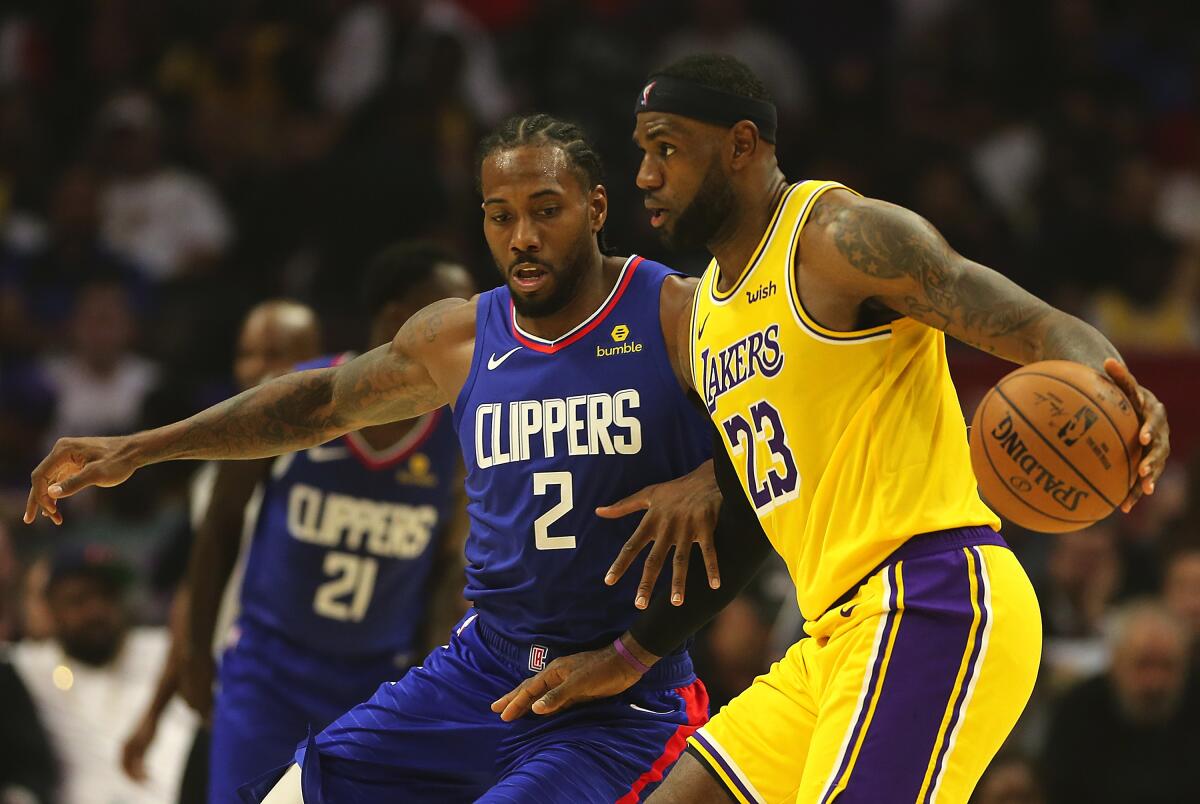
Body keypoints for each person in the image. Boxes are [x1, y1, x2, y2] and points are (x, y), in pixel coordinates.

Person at [25, 115, 769, 802]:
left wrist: (718, 473)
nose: (523, 237)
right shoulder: (460, 338)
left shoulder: (676, 313)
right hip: (484, 668)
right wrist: (142, 447)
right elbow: (316, 402)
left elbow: (789, 425)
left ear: (597, 208)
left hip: (619, 695)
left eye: (547, 210)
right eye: (500, 215)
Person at [501, 53, 1170, 803]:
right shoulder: (707, 317)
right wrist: (630, 654)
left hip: (933, 598)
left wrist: (1120, 390)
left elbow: (1033, 324)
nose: (645, 177)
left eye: (665, 147)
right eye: (641, 153)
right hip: (830, 635)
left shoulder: (835, 237)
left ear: (741, 145)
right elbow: (759, 512)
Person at [119, 298, 324, 801]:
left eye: (277, 354)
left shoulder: (336, 465)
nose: (258, 368)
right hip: (237, 688)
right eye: (248, 354)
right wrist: (157, 707)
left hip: (318, 683)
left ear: (319, 360)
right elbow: (199, 587)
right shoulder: (215, 471)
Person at [10, 545, 197, 803]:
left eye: (106, 595)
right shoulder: (30, 667)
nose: (95, 610)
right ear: (49, 609)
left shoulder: (166, 651)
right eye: (78, 600)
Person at [1042, 601, 1200, 804]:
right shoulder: (1078, 711)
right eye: (1143, 665)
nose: (1155, 682)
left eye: (1167, 666)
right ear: (1116, 663)